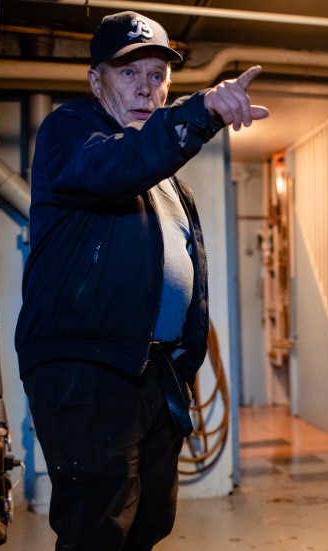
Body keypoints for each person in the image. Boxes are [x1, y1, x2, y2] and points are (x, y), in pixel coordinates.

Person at [14, 10, 268, 550]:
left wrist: (183, 362)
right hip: (89, 366)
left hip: (153, 371)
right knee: (97, 531)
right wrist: (199, 112)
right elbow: (111, 169)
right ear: (96, 80)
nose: (145, 89)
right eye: (129, 73)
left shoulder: (164, 179)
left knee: (150, 522)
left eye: (157, 77)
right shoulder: (73, 131)